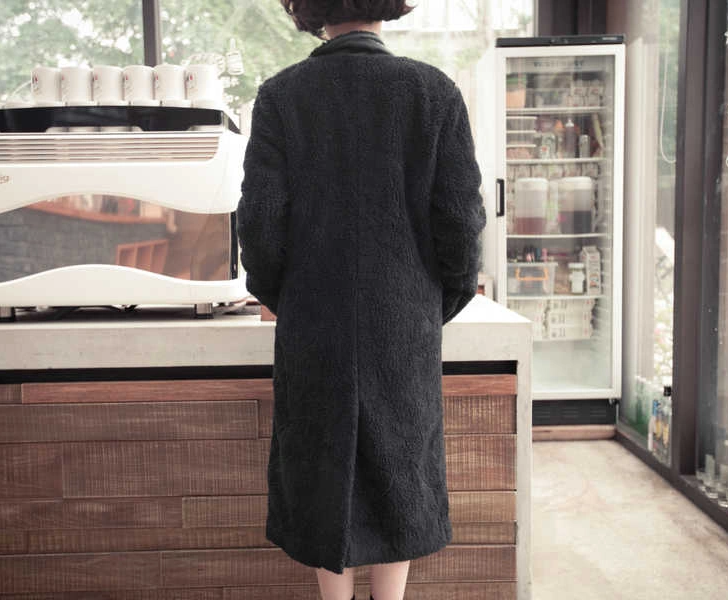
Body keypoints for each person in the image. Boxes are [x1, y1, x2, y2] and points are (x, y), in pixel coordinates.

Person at [235, 1, 486, 599]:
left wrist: (288, 299)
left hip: (313, 326)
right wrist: (430, 305)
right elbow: (460, 223)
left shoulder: (281, 96)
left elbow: (260, 226)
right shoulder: (433, 92)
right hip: (404, 325)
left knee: (321, 473)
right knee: (401, 470)